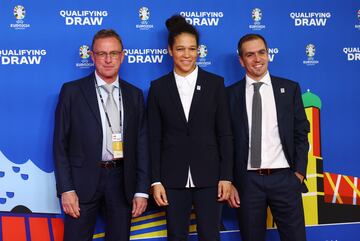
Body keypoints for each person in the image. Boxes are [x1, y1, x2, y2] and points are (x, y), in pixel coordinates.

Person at [53, 29, 150, 241]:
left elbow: (142, 145)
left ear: (122, 56)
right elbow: (60, 144)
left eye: (114, 53)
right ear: (92, 56)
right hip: (81, 182)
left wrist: (142, 190)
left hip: (122, 180)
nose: (108, 60)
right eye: (101, 54)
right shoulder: (72, 92)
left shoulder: (134, 95)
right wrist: (66, 189)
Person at [147, 15, 233, 241]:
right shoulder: (158, 88)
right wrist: (156, 180)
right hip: (172, 179)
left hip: (210, 178)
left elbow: (225, 134)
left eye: (192, 49)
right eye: (180, 49)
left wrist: (226, 176)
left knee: (210, 235)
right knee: (176, 236)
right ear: (170, 51)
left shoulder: (216, 84)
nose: (186, 54)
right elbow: (154, 138)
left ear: (199, 51)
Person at [227, 33, 310, 241]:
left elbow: (301, 133)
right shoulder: (229, 94)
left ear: (268, 54)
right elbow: (225, 141)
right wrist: (230, 181)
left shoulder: (290, 89)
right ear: (241, 60)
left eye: (262, 52)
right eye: (250, 55)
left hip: (285, 178)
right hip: (247, 182)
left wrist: (298, 173)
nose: (257, 59)